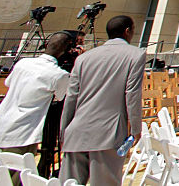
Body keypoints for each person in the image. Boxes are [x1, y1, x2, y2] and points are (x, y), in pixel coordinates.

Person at [60, 15, 144, 186]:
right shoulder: (135, 55)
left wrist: (64, 130)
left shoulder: (83, 58)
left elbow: (71, 98)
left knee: (69, 183)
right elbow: (132, 94)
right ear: (128, 31)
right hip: (108, 132)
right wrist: (136, 129)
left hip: (76, 131)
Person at [0, 32, 71, 183]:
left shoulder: (23, 63)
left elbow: (8, 84)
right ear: (65, 51)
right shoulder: (58, 74)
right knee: (14, 178)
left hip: (0, 124)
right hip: (23, 133)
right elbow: (59, 97)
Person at [39, 31, 85, 177]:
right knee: (48, 145)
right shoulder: (59, 62)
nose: (80, 44)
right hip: (54, 107)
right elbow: (61, 92)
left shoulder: (75, 58)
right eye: (78, 41)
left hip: (65, 105)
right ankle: (43, 173)